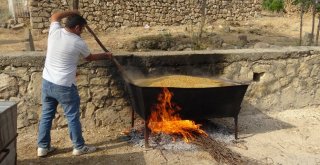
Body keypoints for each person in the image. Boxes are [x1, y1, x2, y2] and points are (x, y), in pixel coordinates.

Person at [37, 10, 112, 157]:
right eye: (82, 29)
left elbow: (55, 16)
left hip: (47, 82)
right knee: (72, 116)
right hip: (64, 86)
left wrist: (72, 12)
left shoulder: (55, 32)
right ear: (77, 27)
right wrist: (106, 55)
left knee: (46, 116)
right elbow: (89, 58)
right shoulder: (78, 42)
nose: (82, 32)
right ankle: (78, 147)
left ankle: (42, 147)